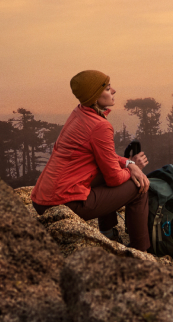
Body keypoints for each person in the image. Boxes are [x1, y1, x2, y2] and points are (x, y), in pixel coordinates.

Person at [31, 69, 152, 252]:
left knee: (115, 173)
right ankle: (140, 252)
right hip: (64, 202)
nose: (113, 91)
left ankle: (108, 235)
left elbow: (106, 158)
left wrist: (129, 163)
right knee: (139, 186)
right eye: (108, 88)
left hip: (42, 198)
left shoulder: (80, 113)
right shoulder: (100, 126)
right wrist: (132, 171)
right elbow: (113, 178)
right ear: (95, 97)